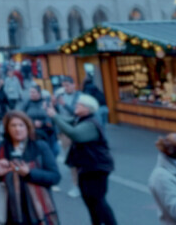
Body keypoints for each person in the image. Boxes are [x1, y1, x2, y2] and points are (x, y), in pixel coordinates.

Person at [47, 93, 117, 225]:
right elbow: (65, 121)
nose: (76, 106)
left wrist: (54, 116)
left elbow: (75, 134)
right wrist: (54, 109)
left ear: (87, 108)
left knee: (98, 200)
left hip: (97, 167)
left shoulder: (90, 123)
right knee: (89, 200)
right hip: (87, 166)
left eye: (79, 105)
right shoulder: (79, 118)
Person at [0, 110, 60, 225]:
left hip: (38, 210)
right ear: (7, 128)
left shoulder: (40, 146)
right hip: (10, 210)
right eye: (13, 125)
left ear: (28, 126)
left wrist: (29, 173)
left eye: (21, 125)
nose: (17, 129)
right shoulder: (0, 148)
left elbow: (55, 177)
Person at [55, 77, 82, 198]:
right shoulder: (60, 96)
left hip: (78, 130)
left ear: (73, 85)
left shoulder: (79, 97)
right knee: (71, 160)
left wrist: (64, 104)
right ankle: (76, 185)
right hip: (64, 132)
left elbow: (76, 112)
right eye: (63, 86)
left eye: (67, 85)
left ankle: (81, 184)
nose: (65, 88)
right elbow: (57, 115)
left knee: (81, 159)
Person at [21, 85, 57, 153]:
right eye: (30, 92)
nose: (31, 94)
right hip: (32, 129)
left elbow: (51, 117)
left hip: (46, 129)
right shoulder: (27, 103)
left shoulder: (46, 103)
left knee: (53, 150)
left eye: (33, 92)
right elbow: (21, 116)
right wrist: (32, 122)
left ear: (39, 93)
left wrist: (43, 123)